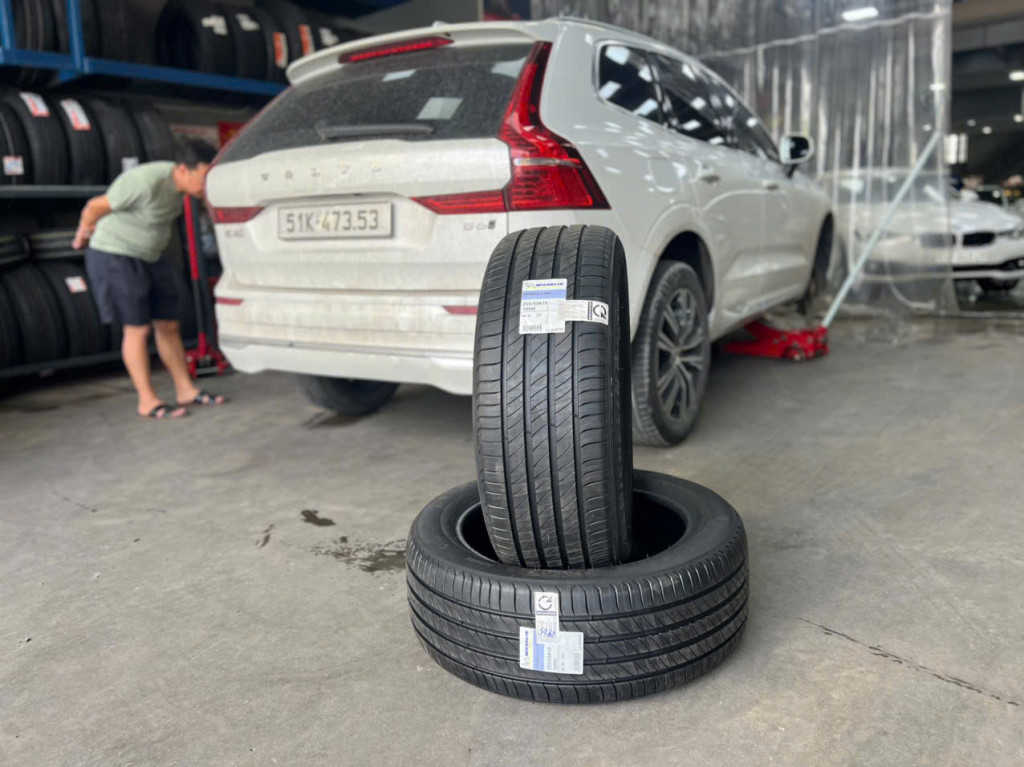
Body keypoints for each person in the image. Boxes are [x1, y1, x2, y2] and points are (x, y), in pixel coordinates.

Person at [74, 139, 227, 419]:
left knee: (169, 324)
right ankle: (147, 400)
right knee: (138, 329)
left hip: (152, 256)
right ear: (183, 170)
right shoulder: (145, 182)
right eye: (203, 177)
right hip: (115, 254)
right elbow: (95, 206)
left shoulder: (183, 189)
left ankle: (185, 390)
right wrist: (83, 232)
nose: (206, 185)